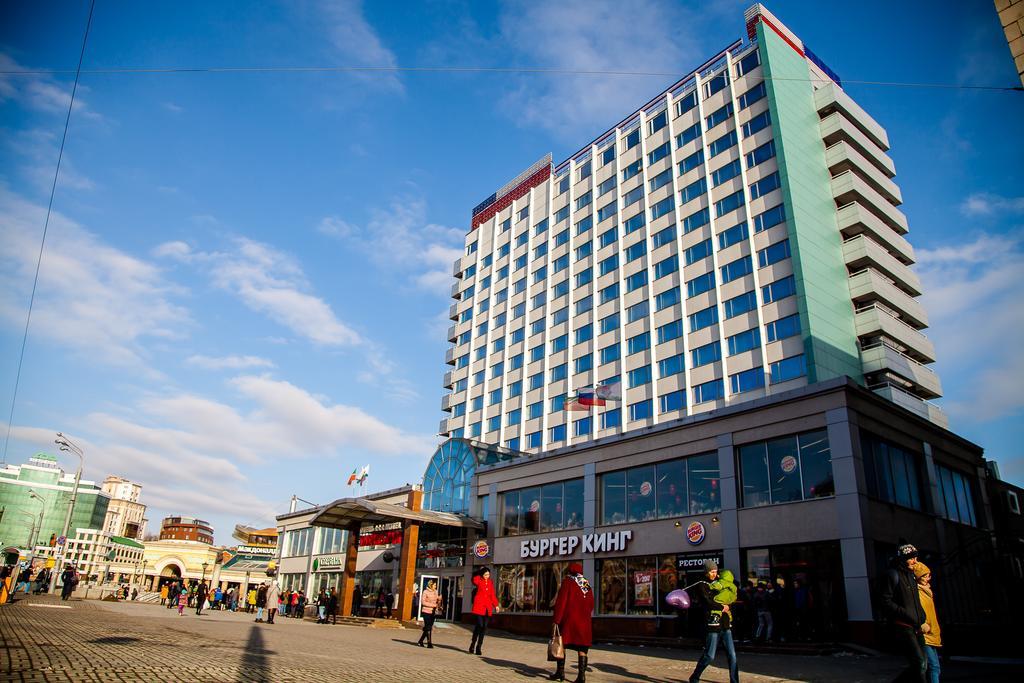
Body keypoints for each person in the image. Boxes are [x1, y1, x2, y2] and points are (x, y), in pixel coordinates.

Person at [879, 543, 927, 683]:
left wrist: (921, 616)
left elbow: (915, 601)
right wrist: (904, 613)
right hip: (904, 626)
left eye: (916, 557)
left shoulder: (911, 576)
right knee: (919, 664)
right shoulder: (892, 575)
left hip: (917, 626)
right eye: (911, 558)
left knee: (922, 666)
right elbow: (885, 601)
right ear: (903, 559)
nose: (915, 561)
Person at [688, 560, 739, 683]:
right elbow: (708, 602)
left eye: (715, 571)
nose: (714, 574)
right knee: (710, 655)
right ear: (706, 571)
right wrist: (722, 607)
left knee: (732, 656)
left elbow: (728, 596)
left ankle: (734, 681)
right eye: (711, 571)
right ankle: (695, 677)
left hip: (726, 624)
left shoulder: (721, 582)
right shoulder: (702, 584)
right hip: (713, 624)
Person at [549, 562, 595, 682]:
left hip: (570, 621)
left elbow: (561, 603)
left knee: (562, 644)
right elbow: (591, 604)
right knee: (582, 649)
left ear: (569, 570)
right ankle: (581, 676)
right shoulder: (585, 582)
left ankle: (560, 672)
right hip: (584, 623)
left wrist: (557, 620)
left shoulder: (567, 582)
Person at [913, 562, 942, 683]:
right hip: (924, 633)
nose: (927, 578)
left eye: (928, 575)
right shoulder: (917, 592)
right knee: (933, 667)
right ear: (918, 577)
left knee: (934, 667)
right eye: (924, 576)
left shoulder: (927, 591)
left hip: (931, 632)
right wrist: (921, 624)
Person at [469, 567, 500, 655]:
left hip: (487, 608)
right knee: (480, 624)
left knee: (484, 627)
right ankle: (473, 643)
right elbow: (474, 580)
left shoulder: (490, 582)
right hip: (479, 607)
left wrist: (496, 605)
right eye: (485, 574)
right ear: (482, 574)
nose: (487, 576)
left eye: (488, 575)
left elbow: (492, 595)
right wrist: (479, 572)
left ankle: (479, 647)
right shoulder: (479, 580)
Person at [418, 579, 441, 648]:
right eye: (434, 585)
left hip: (433, 612)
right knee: (428, 627)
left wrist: (439, 599)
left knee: (429, 627)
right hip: (426, 611)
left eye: (436, 585)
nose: (435, 586)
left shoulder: (436, 592)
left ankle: (421, 641)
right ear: (430, 585)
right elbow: (423, 602)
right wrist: (433, 605)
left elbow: (437, 601)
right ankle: (429, 643)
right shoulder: (425, 592)